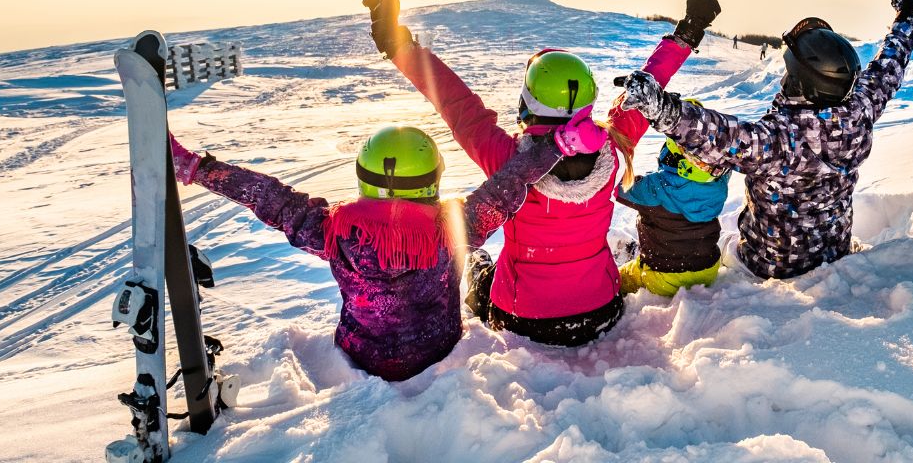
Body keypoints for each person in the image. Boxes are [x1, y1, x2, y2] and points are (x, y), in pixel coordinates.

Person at [364, 0, 721, 345]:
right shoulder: (613, 148)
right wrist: (688, 31)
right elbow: (648, 88)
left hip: (523, 317)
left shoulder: (507, 161)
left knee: (480, 271)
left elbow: (456, 103)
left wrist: (398, 45)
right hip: (601, 309)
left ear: (528, 101)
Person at [166, 113, 606, 380]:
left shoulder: (333, 231)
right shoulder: (454, 229)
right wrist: (558, 145)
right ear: (433, 179)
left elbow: (269, 197)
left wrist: (198, 169)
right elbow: (509, 185)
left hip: (363, 356)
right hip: (439, 349)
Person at [618, 0, 913, 280]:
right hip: (834, 251)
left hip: (768, 265)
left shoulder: (779, 140)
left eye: (790, 72)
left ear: (802, 84)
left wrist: (660, 107)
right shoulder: (860, 110)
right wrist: (909, 17)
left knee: (717, 250)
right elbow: (889, 67)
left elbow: (718, 135)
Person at [615, 98, 732, 297]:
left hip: (664, 277)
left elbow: (618, 187)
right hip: (708, 269)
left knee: (619, 279)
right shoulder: (718, 182)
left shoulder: (655, 188)